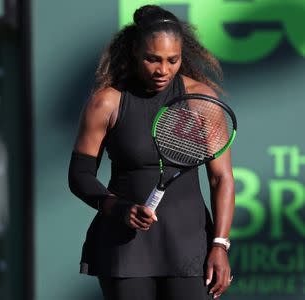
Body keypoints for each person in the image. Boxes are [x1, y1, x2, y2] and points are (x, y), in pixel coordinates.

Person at [68, 4, 235, 300]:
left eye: (173, 60)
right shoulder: (106, 102)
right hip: (124, 248)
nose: (163, 70)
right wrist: (117, 207)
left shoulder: (203, 101)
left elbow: (221, 179)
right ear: (134, 50)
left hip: (189, 246)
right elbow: (80, 175)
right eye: (152, 59)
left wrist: (220, 244)